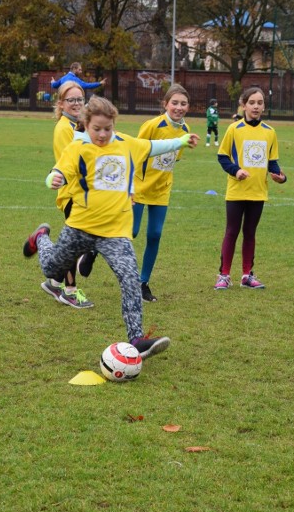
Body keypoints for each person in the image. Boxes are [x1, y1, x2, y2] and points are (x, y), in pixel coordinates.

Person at [22, 96, 198, 357]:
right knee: (51, 268)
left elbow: (155, 146)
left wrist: (182, 140)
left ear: (114, 124)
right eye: (97, 129)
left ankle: (136, 339)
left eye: (107, 128)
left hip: (116, 233)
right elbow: (56, 172)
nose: (102, 134)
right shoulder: (78, 148)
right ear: (86, 124)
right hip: (80, 227)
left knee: (129, 279)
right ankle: (42, 237)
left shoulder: (128, 145)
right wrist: (53, 179)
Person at [214, 86, 287, 290]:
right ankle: (224, 275)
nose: (256, 106)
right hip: (236, 191)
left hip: (258, 191)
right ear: (244, 105)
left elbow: (272, 163)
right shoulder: (234, 129)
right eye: (252, 102)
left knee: (250, 232)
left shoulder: (270, 132)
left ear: (264, 106)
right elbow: (222, 157)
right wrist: (236, 171)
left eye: (260, 103)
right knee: (232, 231)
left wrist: (281, 177)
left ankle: (247, 275)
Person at [34, 81, 94, 309]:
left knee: (78, 241)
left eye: (80, 99)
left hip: (83, 193)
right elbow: (69, 161)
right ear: (61, 103)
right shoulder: (64, 128)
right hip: (72, 193)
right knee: (74, 243)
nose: (77, 103)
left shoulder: (80, 124)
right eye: (71, 100)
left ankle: (55, 281)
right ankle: (69, 291)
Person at [132, 84, 193, 302]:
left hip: (161, 192)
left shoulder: (186, 131)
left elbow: (172, 161)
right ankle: (93, 251)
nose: (178, 107)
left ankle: (142, 282)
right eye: (174, 103)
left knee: (155, 235)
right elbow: (136, 153)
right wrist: (130, 186)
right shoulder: (152, 125)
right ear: (165, 104)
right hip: (139, 188)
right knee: (131, 232)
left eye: (183, 103)